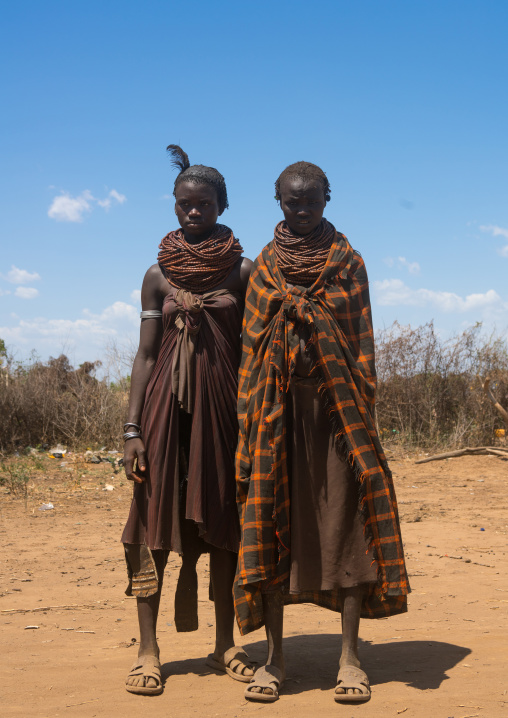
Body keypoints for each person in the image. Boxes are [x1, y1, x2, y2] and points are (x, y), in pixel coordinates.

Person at [233, 161, 409, 703]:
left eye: (311, 201)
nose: (302, 210)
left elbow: (361, 342)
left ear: (328, 199)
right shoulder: (264, 266)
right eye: (292, 202)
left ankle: (351, 659)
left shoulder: (347, 263)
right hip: (276, 413)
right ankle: (276, 660)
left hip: (337, 414)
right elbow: (254, 344)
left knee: (345, 528)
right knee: (270, 525)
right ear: (278, 202)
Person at [121, 145, 254, 695]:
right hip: (161, 415)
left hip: (223, 414)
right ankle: (149, 650)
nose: (192, 213)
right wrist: (131, 429)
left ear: (222, 205)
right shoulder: (157, 275)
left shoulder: (245, 271)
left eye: (203, 204)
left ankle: (225, 644)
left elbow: (255, 349)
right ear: (174, 206)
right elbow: (147, 354)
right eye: (183, 205)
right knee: (152, 524)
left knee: (221, 524)